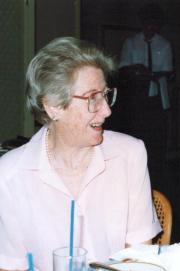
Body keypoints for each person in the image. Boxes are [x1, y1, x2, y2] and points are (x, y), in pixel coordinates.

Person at [0, 37, 161, 271]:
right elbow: (9, 265)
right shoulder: (9, 174)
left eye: (106, 95)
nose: (106, 110)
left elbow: (139, 256)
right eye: (92, 98)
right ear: (53, 106)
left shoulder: (129, 154)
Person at [119, 2, 173, 110]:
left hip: (156, 95)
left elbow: (168, 71)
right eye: (148, 22)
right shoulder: (130, 42)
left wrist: (149, 74)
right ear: (142, 22)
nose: (151, 26)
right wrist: (137, 68)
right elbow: (122, 69)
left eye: (154, 23)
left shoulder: (165, 45)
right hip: (134, 94)